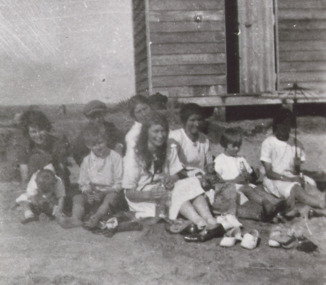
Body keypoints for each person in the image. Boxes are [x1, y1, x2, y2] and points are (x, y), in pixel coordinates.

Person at [123, 112, 226, 242]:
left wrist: (171, 179)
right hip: (143, 198)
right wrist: (149, 195)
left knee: (191, 182)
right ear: (146, 132)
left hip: (163, 191)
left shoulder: (168, 149)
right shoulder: (134, 155)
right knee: (174, 196)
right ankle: (201, 223)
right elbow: (129, 193)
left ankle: (212, 222)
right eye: (156, 131)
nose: (160, 136)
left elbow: (177, 173)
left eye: (164, 131)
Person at [60, 123, 127, 229]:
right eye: (94, 145)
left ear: (106, 140)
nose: (98, 147)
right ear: (88, 146)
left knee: (111, 197)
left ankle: (97, 217)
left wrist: (105, 191)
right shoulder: (87, 161)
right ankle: (75, 218)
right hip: (93, 192)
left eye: (100, 143)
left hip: (110, 191)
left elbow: (120, 183)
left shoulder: (115, 157)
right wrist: (88, 192)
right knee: (78, 198)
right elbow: (83, 182)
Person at [260, 108, 326, 210]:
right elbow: (269, 173)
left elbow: (296, 171)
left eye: (288, 124)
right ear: (276, 125)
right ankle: (320, 204)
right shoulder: (268, 143)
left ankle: (308, 201)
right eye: (282, 123)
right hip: (275, 179)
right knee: (295, 188)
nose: (285, 127)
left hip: (292, 177)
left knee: (312, 184)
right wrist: (290, 179)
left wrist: (297, 165)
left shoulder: (296, 143)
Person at [214, 128, 286, 221]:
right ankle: (265, 203)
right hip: (232, 187)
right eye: (234, 146)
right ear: (225, 145)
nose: (237, 148)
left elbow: (249, 172)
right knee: (248, 189)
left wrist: (248, 175)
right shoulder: (219, 160)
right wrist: (234, 180)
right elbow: (218, 181)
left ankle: (275, 203)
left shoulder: (240, 158)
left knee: (258, 188)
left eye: (239, 146)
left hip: (244, 183)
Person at [7, 110, 70, 186]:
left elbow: (61, 172)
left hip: (57, 183)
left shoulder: (57, 143)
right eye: (33, 132)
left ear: (47, 129)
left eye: (41, 130)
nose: (38, 135)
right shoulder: (24, 146)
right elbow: (25, 176)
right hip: (34, 184)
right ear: (27, 132)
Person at [72, 100, 124, 165]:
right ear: (88, 118)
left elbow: (122, 139)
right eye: (93, 117)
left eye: (100, 115)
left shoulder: (111, 127)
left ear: (104, 114)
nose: (97, 119)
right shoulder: (85, 133)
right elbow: (77, 154)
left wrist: (119, 146)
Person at [169, 103, 212, 177]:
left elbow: (209, 164)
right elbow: (173, 167)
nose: (197, 124)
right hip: (180, 178)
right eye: (192, 120)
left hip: (201, 178)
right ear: (184, 121)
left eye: (199, 120)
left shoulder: (204, 139)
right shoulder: (175, 137)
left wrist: (211, 169)